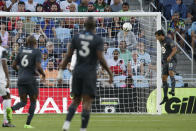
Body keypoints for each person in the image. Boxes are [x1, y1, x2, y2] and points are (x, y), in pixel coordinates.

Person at [57, 16, 113, 131]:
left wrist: (60, 73)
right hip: (89, 73)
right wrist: (110, 73)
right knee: (87, 102)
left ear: (84, 25)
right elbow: (101, 59)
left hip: (77, 72)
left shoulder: (76, 37)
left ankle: (66, 124)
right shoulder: (97, 39)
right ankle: (82, 129)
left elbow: (68, 56)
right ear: (95, 27)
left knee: (76, 100)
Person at [6, 35, 46, 128]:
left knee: (23, 102)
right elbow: (38, 66)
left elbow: (13, 65)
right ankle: (27, 124)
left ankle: (11, 109)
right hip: (31, 80)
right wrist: (43, 74)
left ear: (27, 42)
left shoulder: (21, 51)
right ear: (35, 43)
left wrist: (20, 72)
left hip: (20, 79)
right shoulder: (36, 52)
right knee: (33, 102)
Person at [155, 30, 177, 105]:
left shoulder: (169, 40)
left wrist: (170, 56)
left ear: (161, 35)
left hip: (171, 60)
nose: (156, 38)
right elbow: (164, 50)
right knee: (163, 78)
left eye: (157, 36)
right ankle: (165, 97)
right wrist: (162, 59)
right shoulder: (160, 41)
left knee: (171, 72)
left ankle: (173, 90)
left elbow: (175, 49)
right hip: (165, 61)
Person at [0, 37, 15, 127]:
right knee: (7, 97)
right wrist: (8, 78)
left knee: (6, 95)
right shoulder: (3, 50)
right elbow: (5, 65)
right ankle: (6, 122)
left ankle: (6, 121)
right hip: (1, 79)